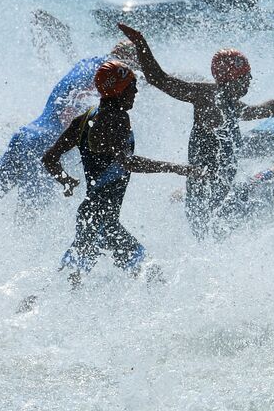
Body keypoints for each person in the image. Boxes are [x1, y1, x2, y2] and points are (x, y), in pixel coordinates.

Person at [118, 24, 274, 239]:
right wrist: (141, 44)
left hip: (213, 199)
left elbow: (258, 110)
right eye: (245, 76)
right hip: (212, 207)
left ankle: (180, 196)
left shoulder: (229, 102)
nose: (250, 80)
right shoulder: (207, 97)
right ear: (233, 79)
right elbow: (160, 80)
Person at [41, 61, 192, 285]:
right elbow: (129, 163)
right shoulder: (116, 119)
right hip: (102, 222)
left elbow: (50, 158)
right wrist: (177, 168)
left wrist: (66, 181)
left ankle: (28, 310)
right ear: (119, 89)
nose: (136, 91)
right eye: (132, 85)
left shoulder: (85, 118)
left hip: (94, 218)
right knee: (151, 277)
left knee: (67, 283)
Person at [0, 38, 138, 212]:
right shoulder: (108, 75)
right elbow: (70, 108)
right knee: (26, 225)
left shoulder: (87, 64)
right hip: (41, 146)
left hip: (25, 136)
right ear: (126, 60)